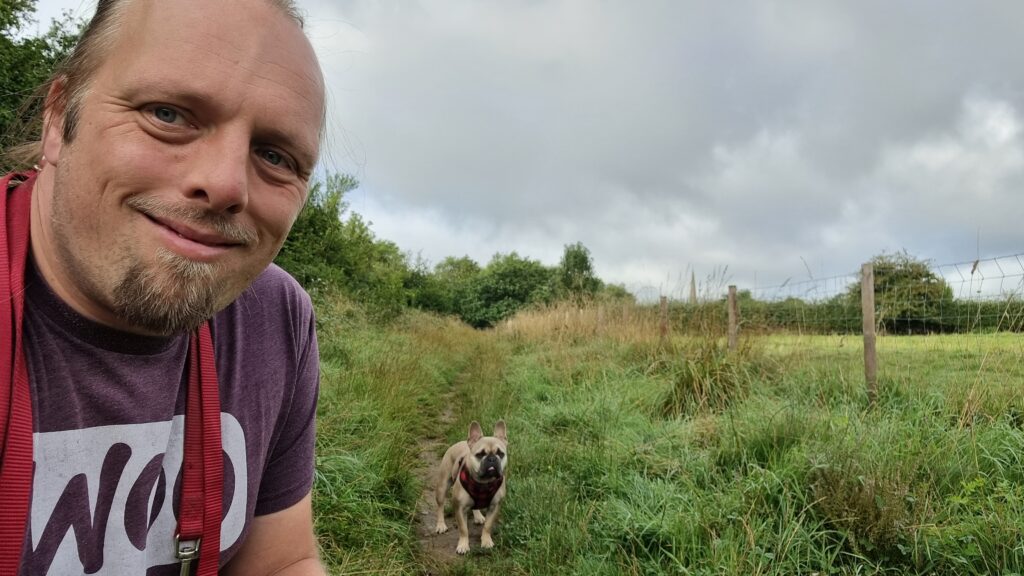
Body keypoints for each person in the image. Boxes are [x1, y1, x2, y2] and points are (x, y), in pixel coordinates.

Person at [0, 0, 328, 574]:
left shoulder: (275, 318)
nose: (226, 184)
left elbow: (280, 562)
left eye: (274, 155)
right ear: (58, 117)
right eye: (168, 115)